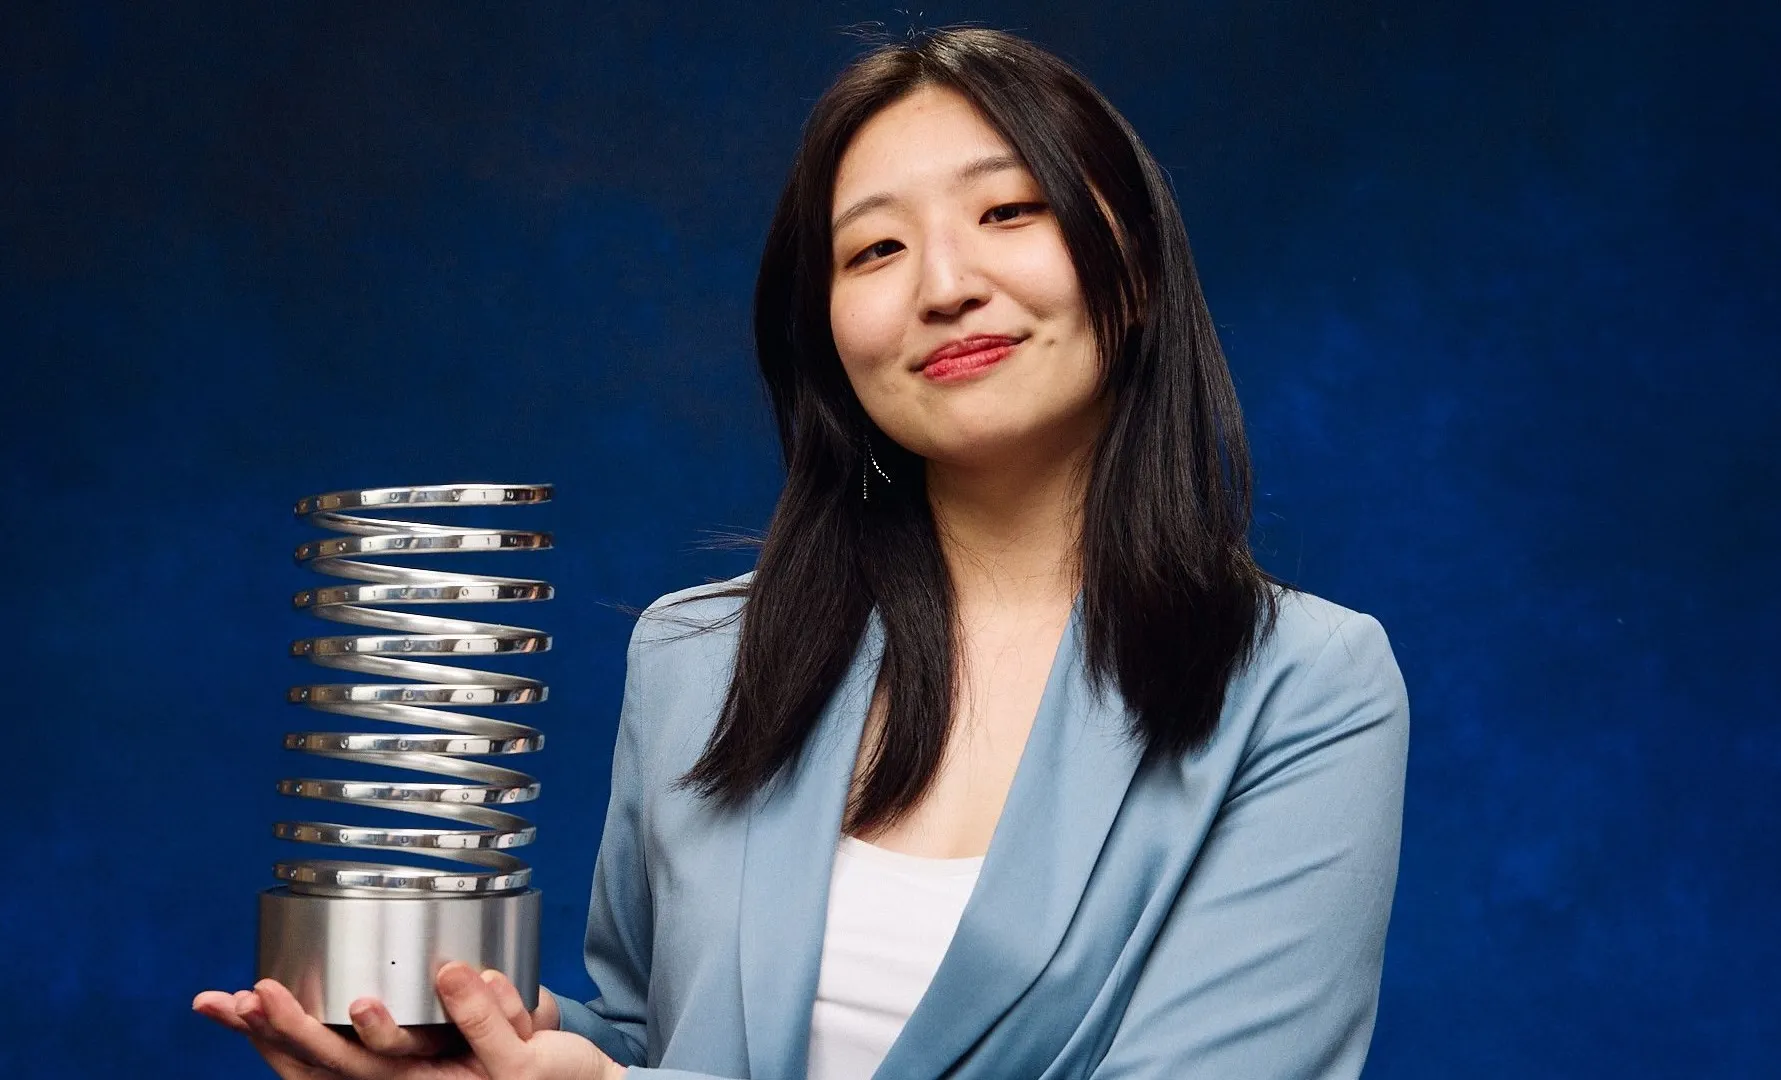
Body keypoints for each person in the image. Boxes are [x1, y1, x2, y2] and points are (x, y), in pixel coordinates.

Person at [193, 25, 1409, 1080]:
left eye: (1008, 212)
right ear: (827, 336)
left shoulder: (1303, 686)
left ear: (1131, 268)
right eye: (874, 249)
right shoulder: (696, 656)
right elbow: (648, 1036)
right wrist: (483, 1047)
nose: (943, 284)